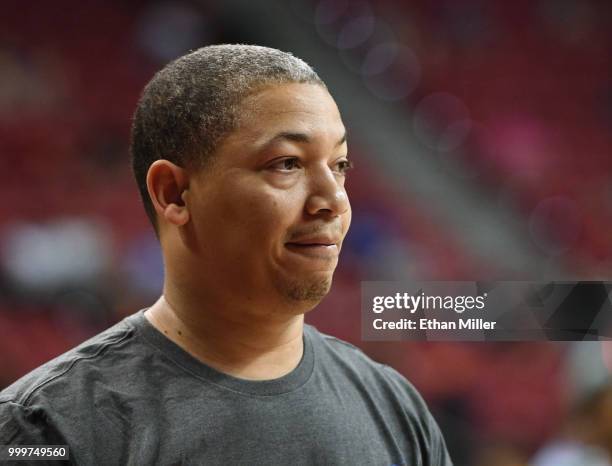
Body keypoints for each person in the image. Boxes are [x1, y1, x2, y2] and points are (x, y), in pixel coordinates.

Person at [0, 44, 453, 465]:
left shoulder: (397, 408)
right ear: (175, 193)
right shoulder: (45, 429)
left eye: (340, 166)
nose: (333, 199)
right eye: (287, 164)